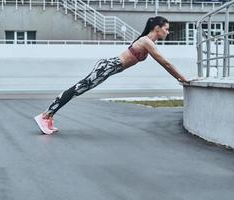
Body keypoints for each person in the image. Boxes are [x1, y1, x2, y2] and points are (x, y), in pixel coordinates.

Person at [34, 16, 189, 134]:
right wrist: (182, 78)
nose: (168, 32)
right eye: (166, 29)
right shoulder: (146, 41)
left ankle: (49, 116)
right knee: (76, 89)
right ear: (157, 28)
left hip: (108, 69)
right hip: (107, 67)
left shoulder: (148, 42)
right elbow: (165, 63)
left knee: (78, 90)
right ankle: (45, 115)